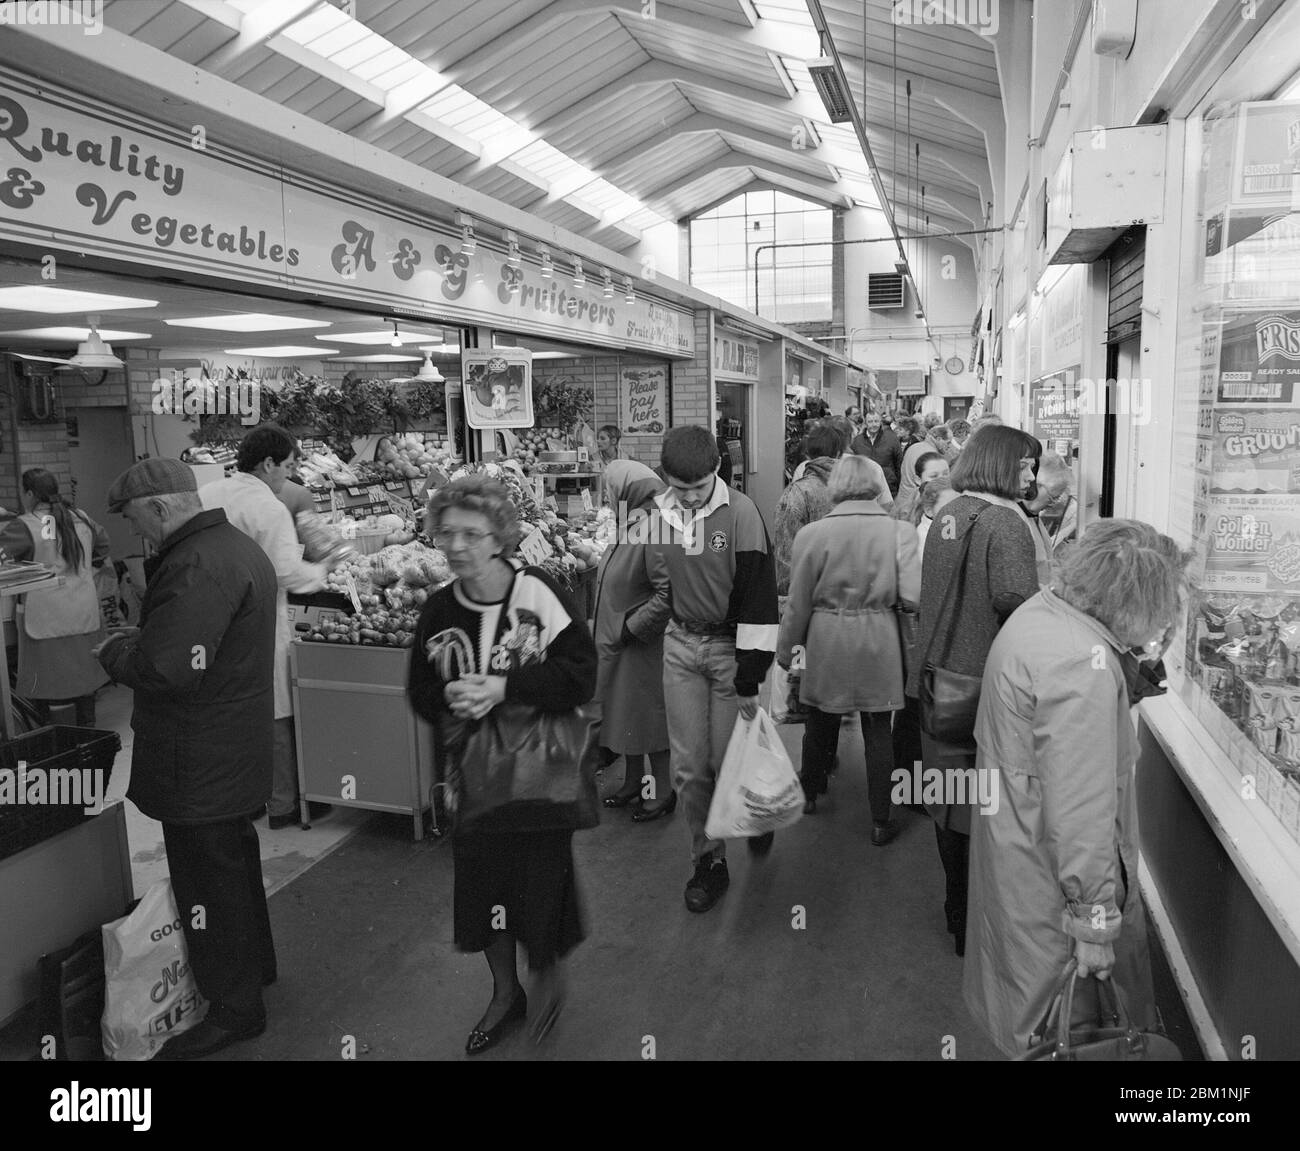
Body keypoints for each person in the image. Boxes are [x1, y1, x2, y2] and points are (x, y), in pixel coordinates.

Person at [964, 520, 1190, 1055]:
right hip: (1053, 882)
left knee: (1028, 1010)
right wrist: (1094, 924)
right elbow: (1082, 809)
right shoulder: (1081, 667)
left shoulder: (1043, 614)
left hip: (1017, 848)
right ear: (1137, 602)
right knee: (1074, 1030)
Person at [406, 476, 597, 1054]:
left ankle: (546, 970)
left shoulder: (536, 592)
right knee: (483, 884)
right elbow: (419, 691)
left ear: (498, 538)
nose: (456, 545)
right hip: (475, 777)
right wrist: (449, 697)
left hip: (540, 774)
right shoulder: (440, 607)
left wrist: (504, 688)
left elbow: (580, 674)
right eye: (447, 533)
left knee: (540, 880)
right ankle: (505, 991)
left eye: (471, 534)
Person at [95, 459, 278, 1060]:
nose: (134, 532)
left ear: (159, 507)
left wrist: (115, 652)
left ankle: (233, 1010)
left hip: (198, 757)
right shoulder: (233, 547)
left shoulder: (196, 563)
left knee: (209, 884)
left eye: (133, 519)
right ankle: (256, 972)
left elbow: (168, 669)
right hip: (230, 747)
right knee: (234, 865)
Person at [907, 425, 1041, 957]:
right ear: (1001, 464)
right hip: (985, 684)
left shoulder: (950, 511)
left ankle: (957, 913)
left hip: (937, 678)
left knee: (950, 800)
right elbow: (1019, 606)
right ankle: (984, 919)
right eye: (1025, 464)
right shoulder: (1006, 523)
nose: (1031, 473)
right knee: (990, 808)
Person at [644, 426, 779, 913]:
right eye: (680, 488)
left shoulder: (741, 513)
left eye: (699, 487)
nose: (689, 497)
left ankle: (757, 808)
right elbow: (658, 581)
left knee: (728, 761)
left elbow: (760, 598)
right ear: (665, 477)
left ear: (717, 470)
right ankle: (709, 861)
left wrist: (750, 677)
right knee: (689, 768)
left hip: (728, 649)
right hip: (680, 645)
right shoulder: (657, 514)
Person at [201, 425, 342, 829]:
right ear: (268, 464)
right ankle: (282, 804)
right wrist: (323, 569)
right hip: (260, 622)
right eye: (288, 466)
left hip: (212, 621)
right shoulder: (268, 508)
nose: (290, 474)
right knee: (276, 710)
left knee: (230, 711)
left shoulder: (208, 494)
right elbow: (286, 573)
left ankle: (244, 798)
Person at [778, 456, 919, 835]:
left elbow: (798, 603)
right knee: (878, 728)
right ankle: (880, 820)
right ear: (874, 484)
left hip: (827, 638)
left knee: (819, 720)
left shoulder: (812, 535)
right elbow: (912, 595)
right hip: (880, 638)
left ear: (835, 486)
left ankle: (809, 792)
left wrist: (786, 651)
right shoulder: (901, 532)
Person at [593, 461, 674, 821]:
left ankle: (660, 793)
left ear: (626, 489)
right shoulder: (633, 521)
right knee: (627, 717)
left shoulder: (655, 526)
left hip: (641, 645)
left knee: (649, 721)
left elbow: (669, 591)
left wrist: (633, 627)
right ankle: (633, 782)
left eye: (610, 488)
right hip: (620, 643)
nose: (608, 495)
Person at [0, 469, 110, 727]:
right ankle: (88, 737)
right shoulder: (81, 517)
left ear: (29, 493)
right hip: (83, 614)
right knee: (84, 683)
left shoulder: (25, 525)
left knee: (51, 688)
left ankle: (61, 741)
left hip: (45, 620)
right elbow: (103, 547)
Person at [773, 422, 843, 596]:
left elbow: (785, 554)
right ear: (839, 453)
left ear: (807, 454)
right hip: (854, 595)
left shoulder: (797, 492)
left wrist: (788, 595)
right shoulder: (859, 488)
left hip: (810, 595)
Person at [850, 410, 905, 498]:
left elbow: (899, 463)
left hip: (888, 488)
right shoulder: (857, 441)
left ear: (880, 422)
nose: (873, 424)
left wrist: (898, 485)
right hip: (864, 489)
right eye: (870, 421)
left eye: (876, 421)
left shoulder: (892, 439)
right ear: (865, 423)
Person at [890, 451, 950, 524]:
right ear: (918, 480)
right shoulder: (905, 510)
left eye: (946, 474)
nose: (942, 479)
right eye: (934, 476)